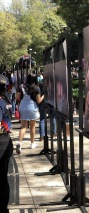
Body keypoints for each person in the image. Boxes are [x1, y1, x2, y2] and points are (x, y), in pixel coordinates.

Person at [16, 74, 44, 154]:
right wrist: (44, 96)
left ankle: (19, 142)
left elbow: (17, 97)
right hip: (33, 108)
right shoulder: (36, 88)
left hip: (23, 107)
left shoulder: (21, 86)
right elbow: (38, 101)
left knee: (23, 126)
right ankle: (32, 143)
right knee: (32, 126)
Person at [0, 74, 13, 213]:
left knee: (2, 178)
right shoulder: (5, 99)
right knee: (3, 177)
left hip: (1, 144)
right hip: (6, 141)